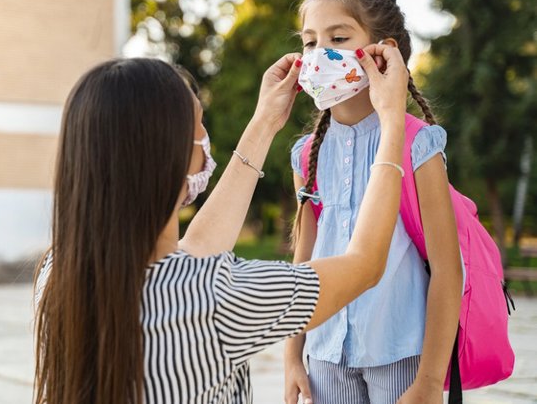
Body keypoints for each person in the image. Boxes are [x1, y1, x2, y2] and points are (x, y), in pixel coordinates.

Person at [34, 43, 409, 404]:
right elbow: (364, 266)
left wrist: (264, 123)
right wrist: (392, 122)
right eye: (199, 123)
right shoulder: (219, 297)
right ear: (170, 155)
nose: (204, 137)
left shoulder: (57, 273)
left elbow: (195, 251)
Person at [284, 0, 464, 404]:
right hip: (325, 352)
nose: (318, 54)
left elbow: (447, 268)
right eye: (310, 42)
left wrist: (428, 381)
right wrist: (293, 355)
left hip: (401, 352)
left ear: (383, 50)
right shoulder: (305, 154)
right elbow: (302, 261)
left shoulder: (418, 144)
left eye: (339, 38)